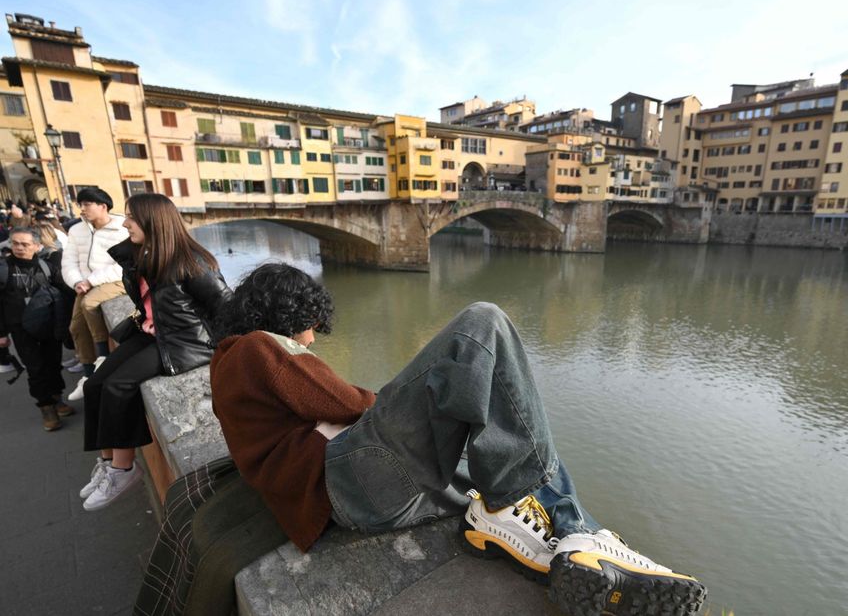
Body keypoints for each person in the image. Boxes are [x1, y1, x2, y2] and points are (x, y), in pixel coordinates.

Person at [210, 264, 707, 616]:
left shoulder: (229, 370)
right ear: (283, 312)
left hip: (358, 500)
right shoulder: (254, 349)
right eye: (308, 327)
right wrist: (415, 390)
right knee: (481, 325)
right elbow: (348, 403)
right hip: (349, 482)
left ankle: (575, 545)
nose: (312, 340)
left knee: (484, 426)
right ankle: (573, 528)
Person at [79, 193, 231, 511]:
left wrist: (225, 351)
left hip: (184, 345)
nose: (125, 222)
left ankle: (123, 469)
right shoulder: (142, 256)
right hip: (152, 334)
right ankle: (107, 463)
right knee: (95, 383)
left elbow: (227, 307)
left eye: (132, 217)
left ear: (153, 222)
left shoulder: (192, 261)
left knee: (119, 385)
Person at [0, 227, 74, 430]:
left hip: (49, 324)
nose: (19, 248)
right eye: (15, 243)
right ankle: (46, 407)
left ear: (37, 245)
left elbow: (65, 291)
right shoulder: (3, 269)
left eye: (25, 244)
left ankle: (56, 398)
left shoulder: (46, 267)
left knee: (53, 363)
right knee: (35, 368)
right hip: (20, 328)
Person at [61, 188, 128, 398]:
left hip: (116, 281)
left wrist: (92, 281)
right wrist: (77, 281)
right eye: (80, 205)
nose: (82, 209)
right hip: (85, 283)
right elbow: (69, 262)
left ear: (103, 206)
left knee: (90, 303)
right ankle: (88, 375)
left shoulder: (122, 229)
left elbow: (125, 265)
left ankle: (103, 357)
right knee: (76, 327)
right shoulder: (76, 230)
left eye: (87, 204)